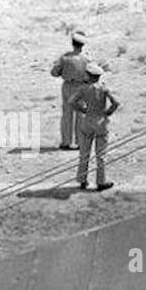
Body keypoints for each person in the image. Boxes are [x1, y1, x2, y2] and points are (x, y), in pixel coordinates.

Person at [69, 62, 118, 191]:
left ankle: (82, 180)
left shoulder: (83, 89)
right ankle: (101, 181)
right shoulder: (103, 88)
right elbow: (115, 103)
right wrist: (108, 112)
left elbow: (71, 102)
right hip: (100, 120)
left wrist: (82, 109)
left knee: (84, 153)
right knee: (100, 155)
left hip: (88, 120)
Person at [50, 31, 90, 150]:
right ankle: (80, 142)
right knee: (80, 115)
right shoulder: (86, 59)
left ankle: (66, 141)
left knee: (67, 114)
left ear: (73, 43)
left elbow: (54, 72)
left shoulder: (65, 57)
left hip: (68, 86)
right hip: (82, 86)